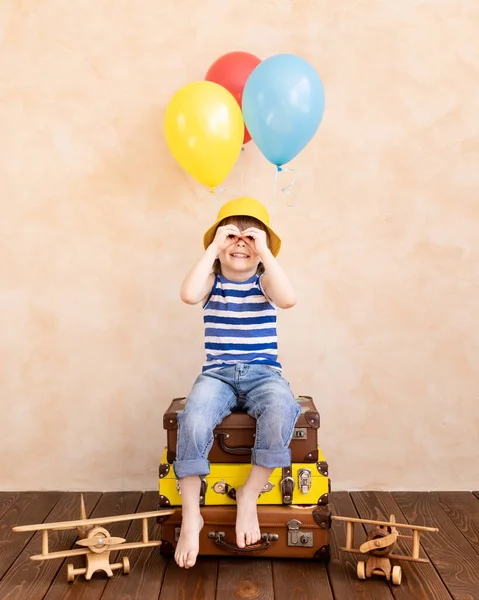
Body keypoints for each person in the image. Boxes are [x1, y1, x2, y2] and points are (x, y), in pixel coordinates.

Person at [173, 196, 301, 569]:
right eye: (232, 237)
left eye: (251, 239)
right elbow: (187, 294)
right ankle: (190, 515)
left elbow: (289, 299)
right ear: (217, 247)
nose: (240, 244)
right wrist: (214, 243)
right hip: (218, 374)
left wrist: (267, 252)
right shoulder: (211, 282)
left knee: (282, 408)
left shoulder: (265, 283)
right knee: (193, 417)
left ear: (262, 252)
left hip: (264, 373)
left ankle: (249, 495)